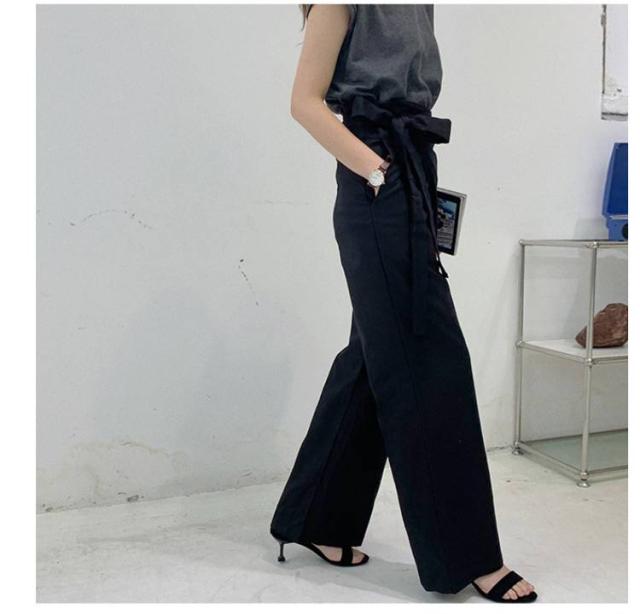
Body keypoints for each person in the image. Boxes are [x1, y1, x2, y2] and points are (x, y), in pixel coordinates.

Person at [269, 3, 537, 603]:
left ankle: (317, 519)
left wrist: (402, 175)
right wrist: (375, 170)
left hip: (411, 169)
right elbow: (304, 102)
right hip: (376, 183)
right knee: (428, 358)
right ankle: (467, 555)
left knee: (374, 356)